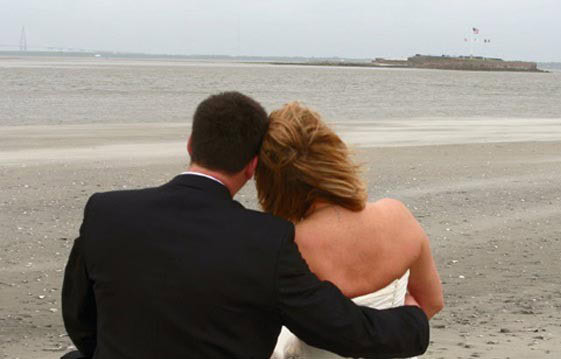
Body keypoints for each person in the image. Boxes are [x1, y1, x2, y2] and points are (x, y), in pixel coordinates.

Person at [61, 92, 430, 359]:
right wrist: (414, 322)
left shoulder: (105, 211)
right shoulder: (267, 241)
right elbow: (346, 330)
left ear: (190, 144)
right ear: (253, 167)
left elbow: (78, 317)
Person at [255, 102, 444, 358]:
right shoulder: (397, 216)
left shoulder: (288, 246)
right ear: (335, 155)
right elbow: (431, 303)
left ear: (271, 181)